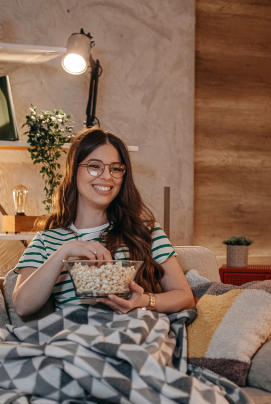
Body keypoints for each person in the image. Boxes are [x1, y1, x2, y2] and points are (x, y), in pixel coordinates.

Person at [12, 127, 194, 318]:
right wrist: (65, 252)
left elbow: (185, 296)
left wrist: (144, 301)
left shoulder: (146, 232)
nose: (107, 176)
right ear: (73, 171)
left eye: (115, 169)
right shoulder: (46, 240)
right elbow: (23, 306)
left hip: (131, 334)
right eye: (94, 166)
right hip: (71, 339)